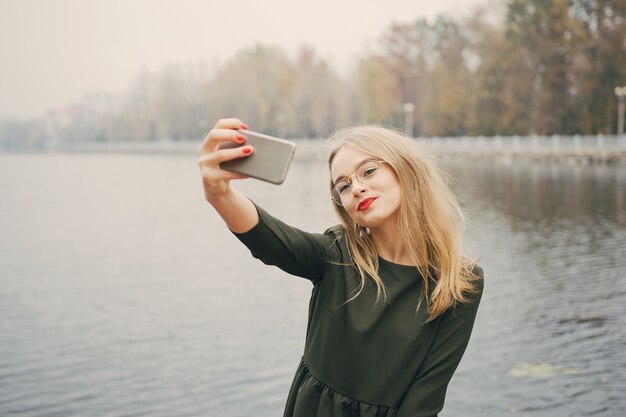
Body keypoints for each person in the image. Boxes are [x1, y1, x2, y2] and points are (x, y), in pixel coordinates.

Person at [198, 118, 484, 417]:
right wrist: (220, 194)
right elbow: (270, 238)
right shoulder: (336, 253)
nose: (357, 188)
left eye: (369, 171)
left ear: (406, 169)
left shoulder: (462, 282)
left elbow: (426, 398)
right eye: (343, 186)